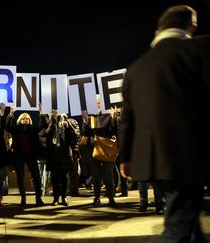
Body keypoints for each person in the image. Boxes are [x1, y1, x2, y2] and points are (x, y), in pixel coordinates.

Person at [119, 5, 210, 242]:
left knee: (188, 225)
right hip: (189, 153)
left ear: (158, 30)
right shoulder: (201, 49)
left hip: (152, 158)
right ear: (192, 25)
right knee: (178, 230)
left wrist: (125, 157)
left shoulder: (134, 69)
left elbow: (127, 120)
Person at [81, 95, 119, 207]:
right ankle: (97, 198)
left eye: (98, 103)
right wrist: (84, 120)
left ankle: (111, 198)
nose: (97, 105)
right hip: (94, 150)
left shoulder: (108, 115)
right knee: (96, 176)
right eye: (95, 103)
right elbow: (85, 133)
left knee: (108, 175)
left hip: (107, 149)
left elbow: (114, 131)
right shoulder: (91, 117)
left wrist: (114, 118)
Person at [5, 109, 45, 207]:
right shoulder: (16, 128)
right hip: (19, 155)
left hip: (31, 155)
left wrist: (41, 114)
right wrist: (10, 115)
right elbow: (7, 127)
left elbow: (41, 126)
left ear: (29, 120)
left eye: (27, 118)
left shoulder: (33, 128)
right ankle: (23, 198)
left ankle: (38, 198)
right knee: (20, 177)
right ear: (20, 120)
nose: (25, 120)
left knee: (36, 177)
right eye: (23, 118)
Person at [40, 113, 78, 206]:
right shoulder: (51, 127)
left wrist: (68, 126)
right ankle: (56, 198)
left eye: (60, 118)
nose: (59, 120)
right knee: (55, 179)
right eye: (57, 118)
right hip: (54, 156)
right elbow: (45, 134)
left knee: (64, 178)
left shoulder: (66, 128)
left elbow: (74, 137)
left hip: (64, 156)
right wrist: (50, 122)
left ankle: (64, 197)